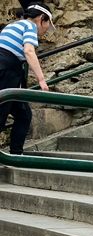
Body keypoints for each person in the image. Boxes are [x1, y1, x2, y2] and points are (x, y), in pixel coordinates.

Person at [0, 2, 53, 155]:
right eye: (48, 24)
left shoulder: (11, 26)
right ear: (42, 19)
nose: (47, 29)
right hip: (6, 72)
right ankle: (15, 155)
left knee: (23, 113)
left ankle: (16, 154)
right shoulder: (30, 26)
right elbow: (29, 51)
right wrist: (41, 80)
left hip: (9, 71)